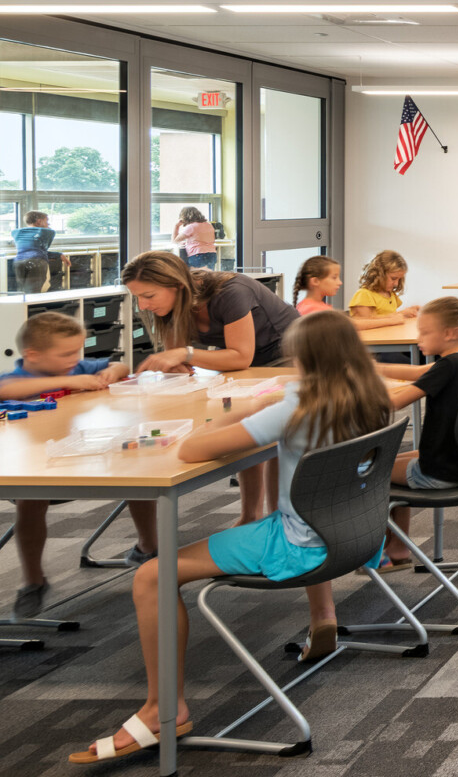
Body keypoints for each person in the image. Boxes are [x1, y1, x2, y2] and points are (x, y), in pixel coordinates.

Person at [67, 311, 393, 764]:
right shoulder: (372, 398)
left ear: (302, 359)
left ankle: (164, 708)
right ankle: (324, 616)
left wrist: (242, 411)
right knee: (286, 493)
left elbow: (191, 449)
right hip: (353, 533)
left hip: (300, 545)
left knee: (150, 576)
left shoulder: (295, 408)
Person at [122, 250, 300, 525]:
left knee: (273, 431)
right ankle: (250, 517)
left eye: (148, 296)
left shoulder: (231, 291)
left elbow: (240, 356)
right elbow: (179, 355)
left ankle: (279, 518)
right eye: (137, 297)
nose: (142, 305)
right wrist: (177, 362)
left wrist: (185, 355)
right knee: (240, 427)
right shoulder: (170, 306)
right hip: (247, 364)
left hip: (287, 351)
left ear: (177, 286)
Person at [2, 312, 158, 619]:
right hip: (35, 468)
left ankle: (147, 547)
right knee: (29, 502)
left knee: (139, 468)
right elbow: (6, 390)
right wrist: (70, 381)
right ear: (32, 354)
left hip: (82, 456)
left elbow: (120, 365)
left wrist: (113, 372)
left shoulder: (77, 365)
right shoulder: (19, 379)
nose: (76, 359)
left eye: (78, 352)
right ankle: (33, 580)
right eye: (67, 354)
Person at [375, 296, 458, 568]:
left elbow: (394, 403)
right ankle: (398, 549)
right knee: (390, 462)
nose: (418, 338)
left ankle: (383, 551)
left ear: (451, 333)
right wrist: (376, 369)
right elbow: (420, 372)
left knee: (371, 470)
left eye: (424, 332)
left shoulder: (448, 366)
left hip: (443, 471)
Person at [347, 250, 419, 330]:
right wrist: (399, 315)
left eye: (399, 279)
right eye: (393, 278)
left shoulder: (390, 294)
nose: (396, 284)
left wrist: (404, 313)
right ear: (380, 274)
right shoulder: (363, 294)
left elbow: (389, 317)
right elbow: (365, 323)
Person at [10, 210, 57, 294]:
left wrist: (58, 255)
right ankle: (31, 307)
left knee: (21, 290)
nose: (48, 224)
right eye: (47, 221)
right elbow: (43, 250)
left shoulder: (15, 232)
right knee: (33, 291)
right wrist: (47, 227)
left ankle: (22, 307)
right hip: (36, 261)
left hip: (18, 262)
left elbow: (30, 247)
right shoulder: (48, 232)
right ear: (39, 221)